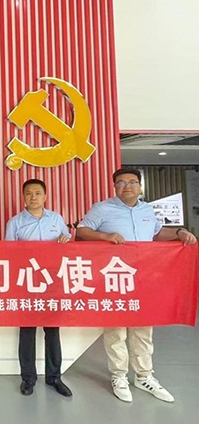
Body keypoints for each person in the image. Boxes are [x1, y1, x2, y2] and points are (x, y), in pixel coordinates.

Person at [76, 167, 197, 403]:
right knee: (116, 329)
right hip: (115, 278)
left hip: (144, 277)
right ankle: (119, 376)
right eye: (121, 183)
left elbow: (157, 233)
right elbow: (82, 230)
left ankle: (144, 376)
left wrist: (180, 232)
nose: (127, 187)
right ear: (114, 187)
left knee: (143, 328)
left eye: (132, 182)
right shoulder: (102, 208)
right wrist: (105, 237)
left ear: (140, 187)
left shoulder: (147, 209)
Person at [5, 178, 73, 397]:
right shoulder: (15, 223)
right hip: (26, 282)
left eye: (37, 193)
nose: (33, 197)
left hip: (52, 282)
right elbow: (8, 253)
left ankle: (55, 377)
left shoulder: (56, 219)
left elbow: (68, 243)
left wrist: (65, 240)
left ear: (45, 196)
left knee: (52, 331)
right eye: (28, 193)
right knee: (27, 332)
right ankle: (28, 379)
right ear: (23, 197)